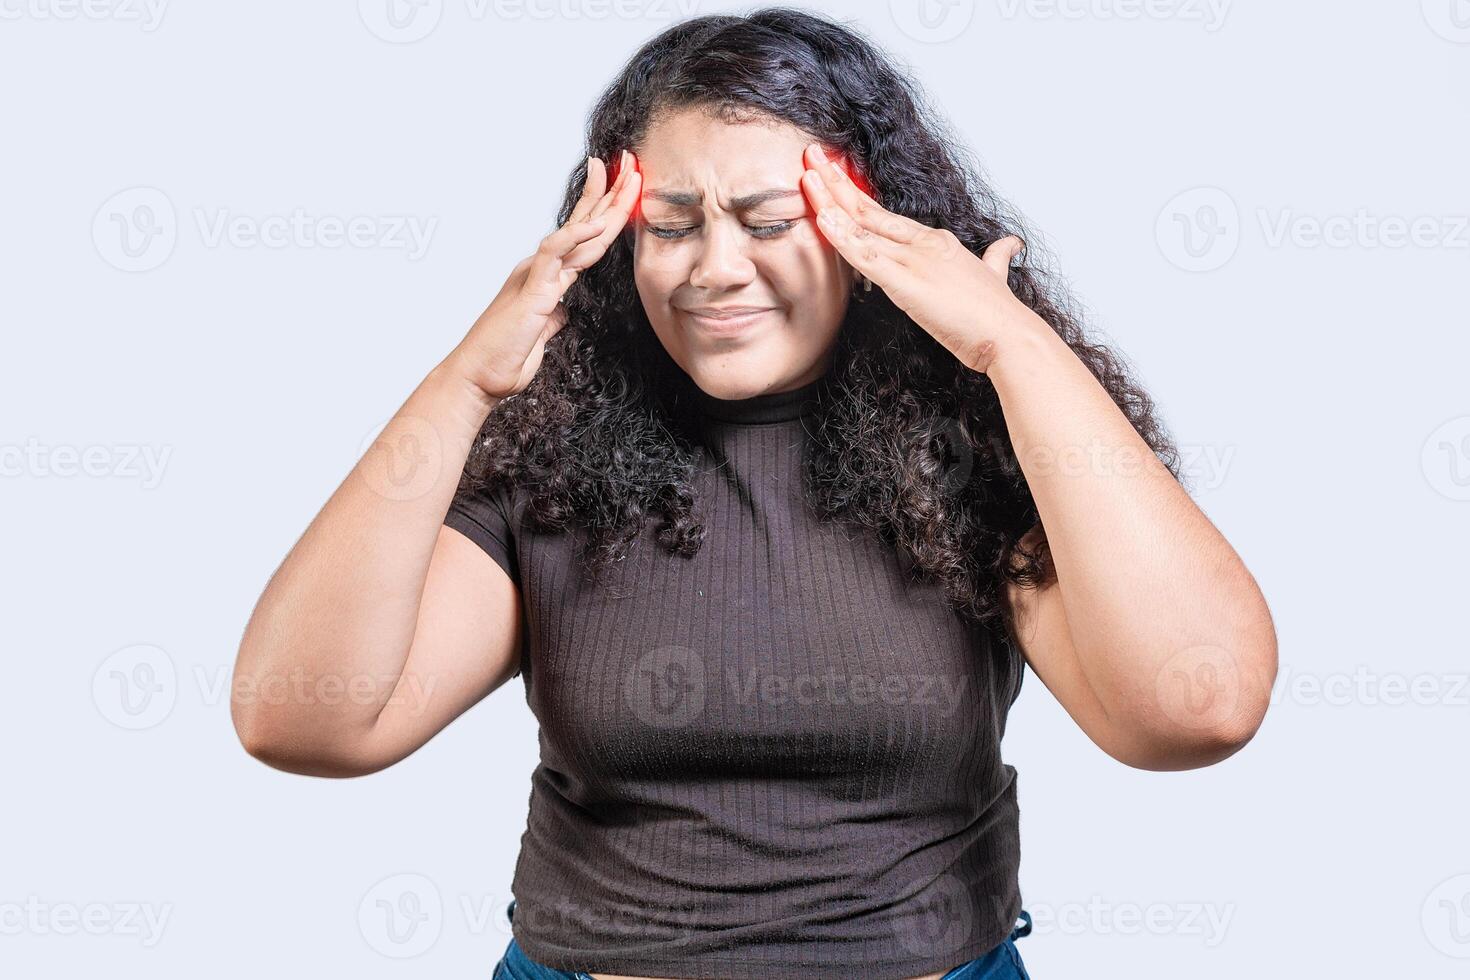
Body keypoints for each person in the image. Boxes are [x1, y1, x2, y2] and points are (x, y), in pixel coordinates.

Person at [230, 9, 1277, 979]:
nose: (713, 268)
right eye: (673, 224)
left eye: (770, 220)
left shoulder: (970, 453)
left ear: (877, 234)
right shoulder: (549, 462)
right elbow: (303, 718)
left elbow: (1196, 707)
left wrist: (1012, 349)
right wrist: (461, 383)